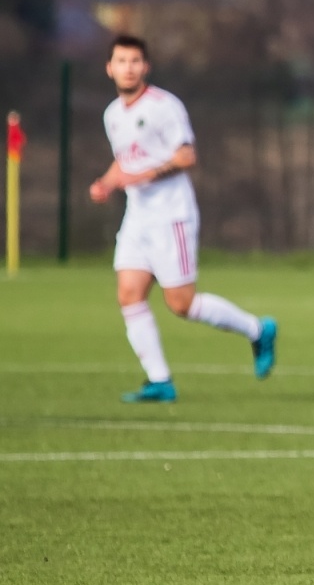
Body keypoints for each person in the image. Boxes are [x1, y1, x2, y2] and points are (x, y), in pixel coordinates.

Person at [90, 35, 277, 402]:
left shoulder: (164, 106)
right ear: (109, 68)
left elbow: (186, 156)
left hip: (171, 215)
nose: (128, 68)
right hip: (137, 218)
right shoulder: (112, 115)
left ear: (146, 67)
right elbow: (126, 159)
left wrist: (140, 176)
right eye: (121, 61)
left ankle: (258, 330)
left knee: (181, 304)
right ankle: (160, 381)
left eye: (135, 61)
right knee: (129, 294)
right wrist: (107, 183)